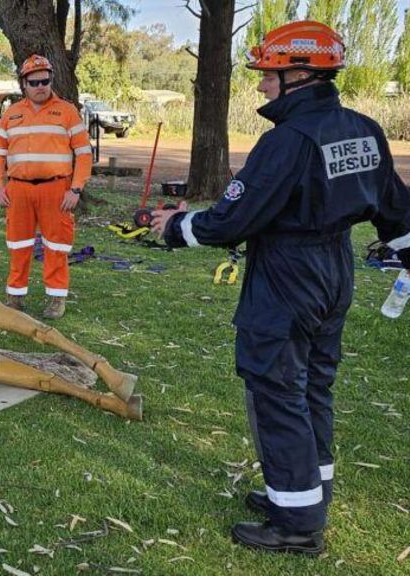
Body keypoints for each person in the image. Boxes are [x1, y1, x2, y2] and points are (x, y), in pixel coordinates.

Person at [150, 21, 410, 555]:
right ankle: (306, 494)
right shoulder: (364, 128)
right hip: (336, 272)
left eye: (268, 74)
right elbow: (396, 210)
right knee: (314, 383)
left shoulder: (287, 141)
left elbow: (232, 220)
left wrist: (174, 227)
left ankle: (296, 526)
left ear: (298, 73)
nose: (262, 84)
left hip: (288, 276)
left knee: (276, 389)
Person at [0, 54, 93, 320]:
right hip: (18, 190)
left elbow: (83, 154)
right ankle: (15, 298)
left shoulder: (67, 112)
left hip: (57, 190)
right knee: (18, 244)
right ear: (24, 83)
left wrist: (76, 189)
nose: (40, 86)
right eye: (33, 82)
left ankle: (56, 300)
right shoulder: (12, 114)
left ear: (51, 80)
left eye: (45, 81)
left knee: (57, 246)